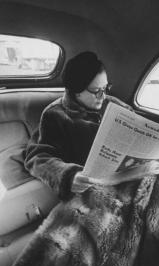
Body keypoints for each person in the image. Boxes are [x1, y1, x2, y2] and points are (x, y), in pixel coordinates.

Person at [24, 51, 131, 200]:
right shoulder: (55, 115)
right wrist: (69, 176)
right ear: (76, 91)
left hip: (127, 177)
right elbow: (38, 157)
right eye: (95, 91)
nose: (103, 96)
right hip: (92, 190)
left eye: (105, 88)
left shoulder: (114, 106)